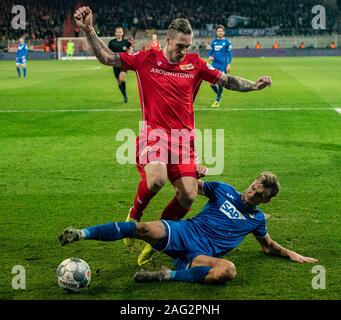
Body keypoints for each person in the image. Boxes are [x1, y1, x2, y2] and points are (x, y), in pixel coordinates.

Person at [74, 6, 272, 267]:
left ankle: (154, 242)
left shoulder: (196, 64)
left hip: (183, 140)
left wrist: (254, 86)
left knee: (188, 196)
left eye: (187, 45)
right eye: (180, 45)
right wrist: (89, 29)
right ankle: (134, 216)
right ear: (168, 39)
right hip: (153, 134)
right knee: (156, 180)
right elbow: (108, 58)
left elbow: (227, 80)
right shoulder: (146, 59)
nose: (183, 50)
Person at [58, 172, 318, 284]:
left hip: (201, 255)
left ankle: (164, 275)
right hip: (186, 231)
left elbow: (267, 247)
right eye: (252, 187)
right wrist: (195, 173)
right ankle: (82, 233)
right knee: (140, 228)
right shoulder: (224, 190)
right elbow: (189, 184)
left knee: (227, 270)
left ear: (266, 200)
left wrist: (290, 253)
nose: (252, 194)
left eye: (258, 194)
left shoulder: (257, 220)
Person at [208, 25, 232, 108]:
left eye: (221, 31)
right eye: (218, 31)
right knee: (211, 84)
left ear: (224, 32)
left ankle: (217, 101)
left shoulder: (227, 42)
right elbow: (211, 52)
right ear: (216, 32)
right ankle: (219, 93)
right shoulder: (213, 42)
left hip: (223, 65)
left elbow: (229, 54)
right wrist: (210, 56)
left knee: (220, 83)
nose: (220, 32)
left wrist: (228, 64)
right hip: (214, 65)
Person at [108, 26, 132, 103]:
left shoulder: (125, 42)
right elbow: (108, 52)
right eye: (117, 32)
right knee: (119, 82)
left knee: (122, 78)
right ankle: (124, 95)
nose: (119, 33)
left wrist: (130, 54)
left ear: (122, 33)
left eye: (120, 32)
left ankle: (125, 96)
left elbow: (130, 48)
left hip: (124, 64)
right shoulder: (112, 43)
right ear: (115, 33)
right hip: (115, 64)